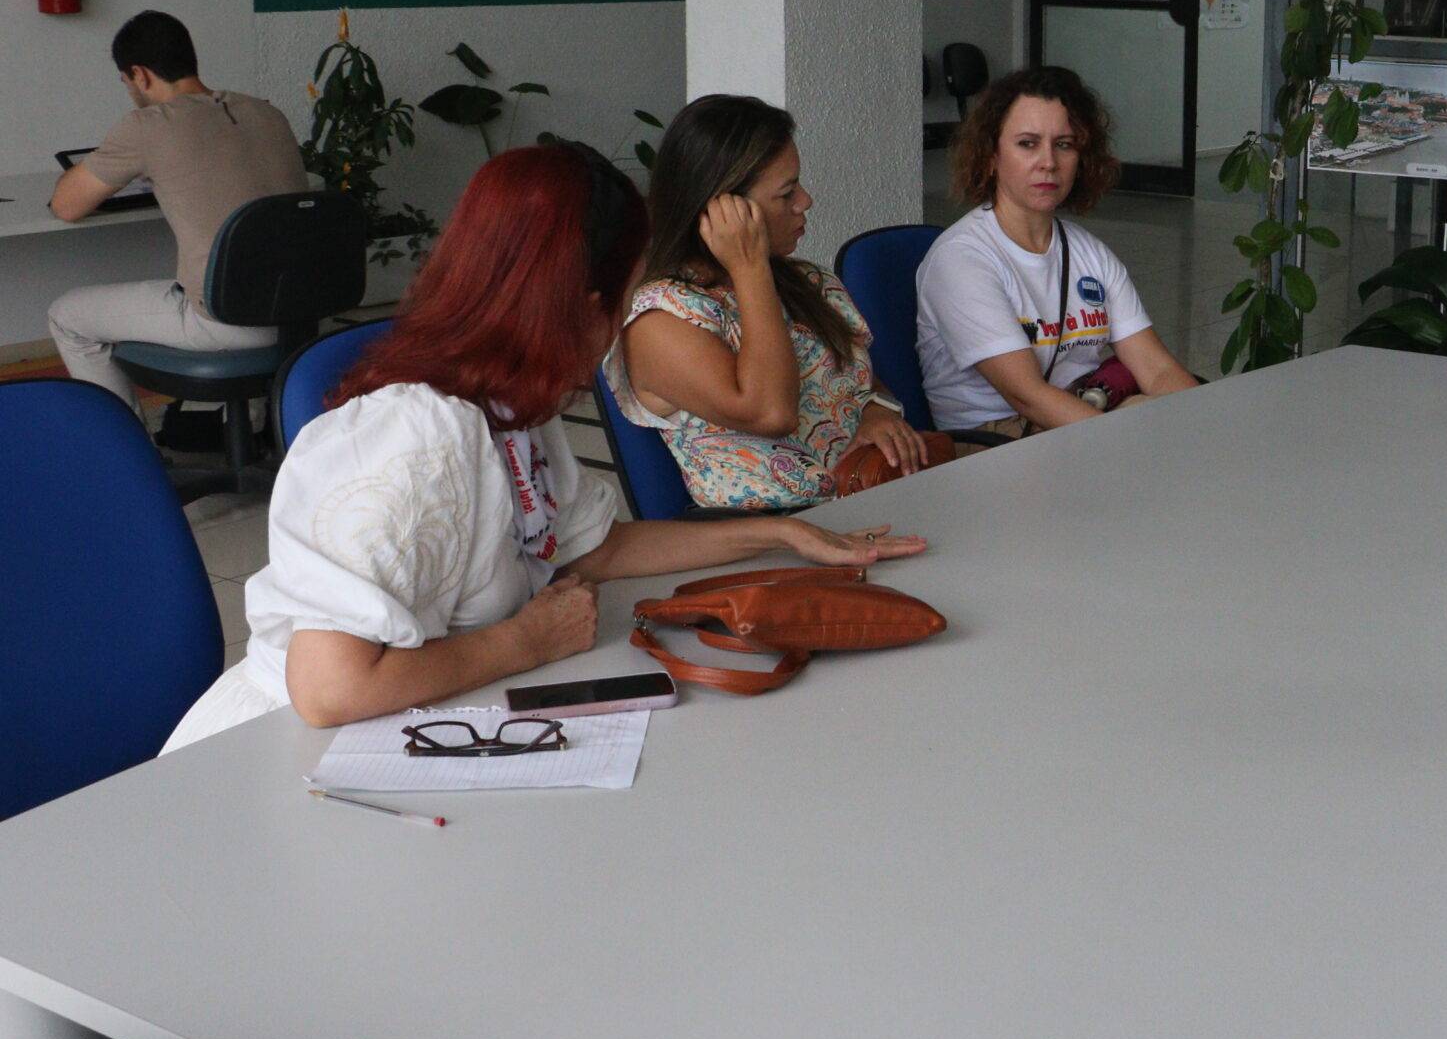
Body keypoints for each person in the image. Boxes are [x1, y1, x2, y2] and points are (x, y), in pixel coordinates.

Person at [162, 143, 927, 750]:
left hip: (399, 731)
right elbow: (329, 688)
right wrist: (522, 643)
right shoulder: (419, 437)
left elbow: (592, 548)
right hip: (267, 756)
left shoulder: (509, 403)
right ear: (582, 307)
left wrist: (779, 532)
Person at [608, 94, 928, 510]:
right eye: (786, 193)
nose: (805, 201)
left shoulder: (810, 281)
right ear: (724, 210)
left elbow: (862, 381)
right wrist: (749, 269)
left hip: (871, 502)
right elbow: (771, 413)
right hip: (775, 540)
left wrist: (877, 411)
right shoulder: (661, 319)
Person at [47, 10, 308, 410]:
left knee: (66, 316)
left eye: (126, 81)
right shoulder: (267, 112)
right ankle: (248, 428)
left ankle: (127, 456)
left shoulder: (148, 124)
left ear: (140, 74)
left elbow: (67, 206)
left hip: (225, 320)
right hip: (301, 311)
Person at [916, 65, 1197, 433]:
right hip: (990, 443)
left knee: (1165, 413)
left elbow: (1158, 371)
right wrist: (1132, 442)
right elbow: (1027, 396)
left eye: (1063, 145)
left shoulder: (1089, 252)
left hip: (1080, 418)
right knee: (1148, 427)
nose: (1048, 162)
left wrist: (1201, 425)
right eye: (1027, 144)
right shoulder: (961, 259)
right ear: (991, 156)